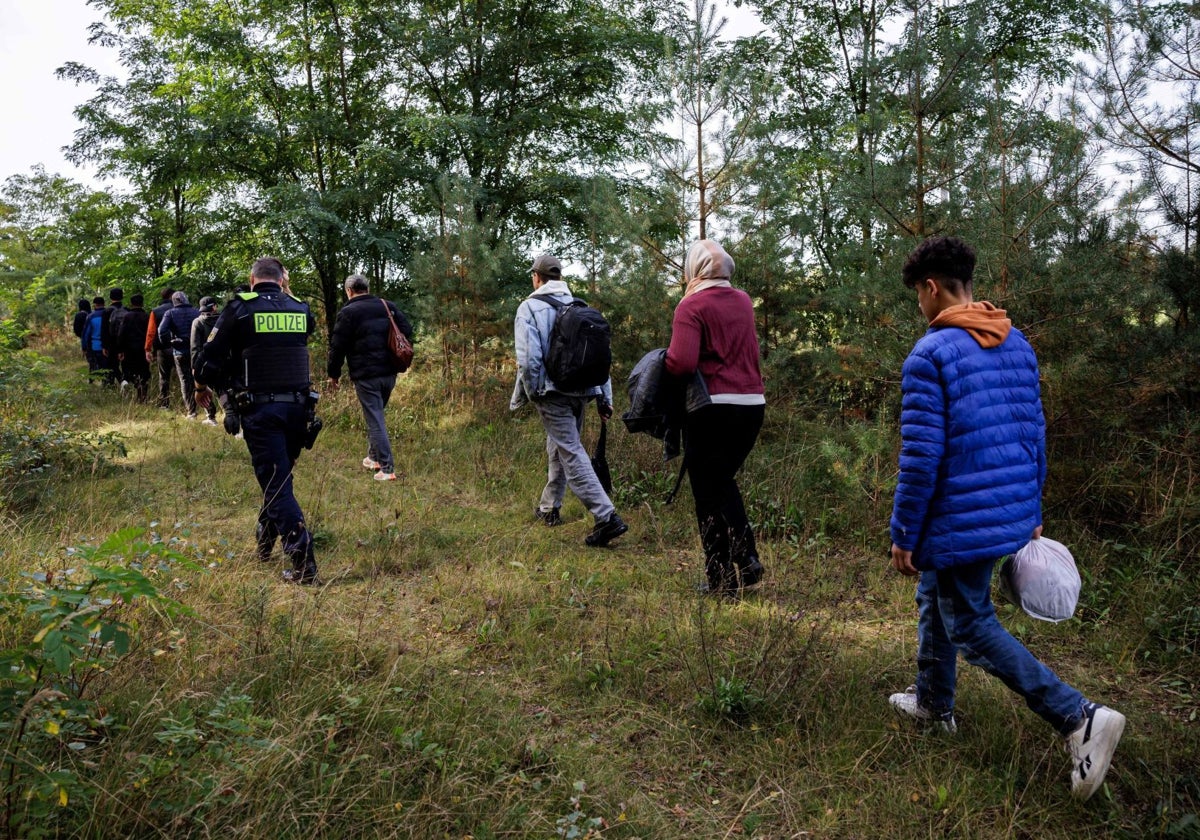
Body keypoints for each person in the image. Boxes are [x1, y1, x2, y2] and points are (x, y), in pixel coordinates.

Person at [887, 235, 1124, 801]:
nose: (919, 309)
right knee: (935, 597)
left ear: (931, 288)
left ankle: (1079, 717)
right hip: (1007, 507)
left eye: (917, 297)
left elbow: (921, 458)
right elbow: (1033, 433)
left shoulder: (931, 354)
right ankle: (933, 703)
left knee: (969, 623)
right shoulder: (1015, 342)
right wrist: (1033, 509)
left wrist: (903, 533)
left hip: (957, 516)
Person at [193, 257, 320, 584]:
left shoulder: (241, 309)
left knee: (277, 485)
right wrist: (286, 293)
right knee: (280, 476)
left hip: (262, 412)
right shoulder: (299, 308)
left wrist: (201, 387)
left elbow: (207, 362)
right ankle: (266, 536)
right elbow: (305, 333)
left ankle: (304, 564)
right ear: (282, 279)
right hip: (299, 410)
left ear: (252, 279)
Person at [664, 239, 766, 595]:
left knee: (709, 492)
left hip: (712, 409)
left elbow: (682, 362)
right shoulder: (742, 301)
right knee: (721, 481)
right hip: (752, 405)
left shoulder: (691, 306)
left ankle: (736, 566)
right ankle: (732, 572)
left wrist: (659, 363)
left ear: (693, 269)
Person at [510, 253, 627, 546]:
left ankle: (606, 516)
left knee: (571, 451)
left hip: (554, 394)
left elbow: (528, 360)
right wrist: (604, 397)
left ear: (536, 277)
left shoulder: (529, 307)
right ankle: (549, 508)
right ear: (559, 278)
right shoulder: (581, 307)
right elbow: (602, 360)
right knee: (560, 446)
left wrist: (534, 392)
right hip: (584, 391)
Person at [326, 274, 414, 482]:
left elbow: (337, 347)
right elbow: (407, 330)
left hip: (366, 376)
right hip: (390, 373)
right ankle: (373, 458)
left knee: (375, 419)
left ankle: (387, 467)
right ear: (367, 288)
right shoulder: (386, 305)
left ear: (349, 291)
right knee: (376, 415)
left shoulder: (348, 313)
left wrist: (333, 374)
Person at [158, 291, 201, 419]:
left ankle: (191, 411)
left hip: (180, 351)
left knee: (185, 380)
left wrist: (168, 343)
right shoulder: (196, 312)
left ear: (174, 302)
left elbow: (161, 331)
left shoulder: (170, 313)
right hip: (196, 351)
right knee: (199, 378)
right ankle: (209, 411)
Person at [190, 297, 222, 426]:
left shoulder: (198, 322)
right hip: (222, 360)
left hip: (204, 363)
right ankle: (230, 414)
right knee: (223, 389)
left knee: (204, 389)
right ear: (214, 307)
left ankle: (211, 416)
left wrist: (194, 366)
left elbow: (194, 346)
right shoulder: (223, 320)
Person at [115, 293, 151, 401]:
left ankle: (126, 382)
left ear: (131, 304)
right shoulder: (147, 316)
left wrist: (120, 350)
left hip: (128, 349)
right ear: (142, 303)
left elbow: (121, 334)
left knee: (128, 370)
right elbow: (150, 333)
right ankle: (142, 396)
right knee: (143, 372)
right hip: (143, 350)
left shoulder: (127, 316)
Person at [145, 287, 177, 409]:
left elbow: (151, 332)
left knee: (163, 377)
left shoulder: (155, 311)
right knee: (184, 376)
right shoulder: (180, 309)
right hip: (180, 348)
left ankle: (164, 404)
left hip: (162, 349)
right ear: (172, 296)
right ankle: (190, 404)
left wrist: (148, 349)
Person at [100, 287, 126, 386]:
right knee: (125, 364)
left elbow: (104, 330)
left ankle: (120, 382)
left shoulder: (107, 311)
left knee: (112, 365)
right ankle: (127, 381)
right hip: (125, 343)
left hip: (111, 343)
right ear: (122, 297)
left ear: (110, 297)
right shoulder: (126, 310)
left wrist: (104, 346)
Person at [81, 297, 107, 379]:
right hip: (110, 346)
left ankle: (103, 384)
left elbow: (86, 334)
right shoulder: (110, 313)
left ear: (94, 305)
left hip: (96, 346)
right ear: (104, 303)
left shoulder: (91, 316)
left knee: (100, 367)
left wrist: (84, 347)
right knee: (109, 367)